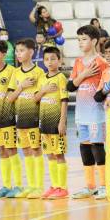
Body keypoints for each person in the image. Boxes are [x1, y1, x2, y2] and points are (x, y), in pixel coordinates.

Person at [67, 25, 108, 200]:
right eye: (78, 39)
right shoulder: (78, 63)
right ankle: (90, 186)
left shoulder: (102, 63)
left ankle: (104, 186)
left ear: (94, 41)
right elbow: (70, 87)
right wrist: (83, 74)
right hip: (80, 113)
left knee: (97, 147)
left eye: (84, 39)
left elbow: (105, 89)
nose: (80, 43)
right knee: (84, 148)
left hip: (96, 113)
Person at [7, 38, 45, 199]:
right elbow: (9, 97)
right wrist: (21, 86)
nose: (18, 54)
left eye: (21, 50)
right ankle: (30, 185)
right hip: (20, 117)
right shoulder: (15, 73)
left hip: (34, 118)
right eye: (16, 51)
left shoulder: (39, 73)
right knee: (26, 151)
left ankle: (39, 186)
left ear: (31, 52)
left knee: (36, 150)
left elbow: (41, 96)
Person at [0, 41, 23, 198]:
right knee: (1, 150)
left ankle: (19, 186)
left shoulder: (12, 71)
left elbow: (13, 95)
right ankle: (6, 185)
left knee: (11, 150)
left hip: (9, 116)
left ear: (3, 55)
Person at [34, 46, 69, 199]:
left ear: (59, 60)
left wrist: (62, 121)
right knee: (49, 155)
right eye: (47, 59)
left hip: (56, 122)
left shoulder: (61, 78)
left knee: (59, 154)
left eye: (53, 59)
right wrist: (44, 90)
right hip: (44, 123)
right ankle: (54, 186)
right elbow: (35, 98)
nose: (50, 62)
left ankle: (63, 187)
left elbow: (64, 101)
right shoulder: (42, 78)